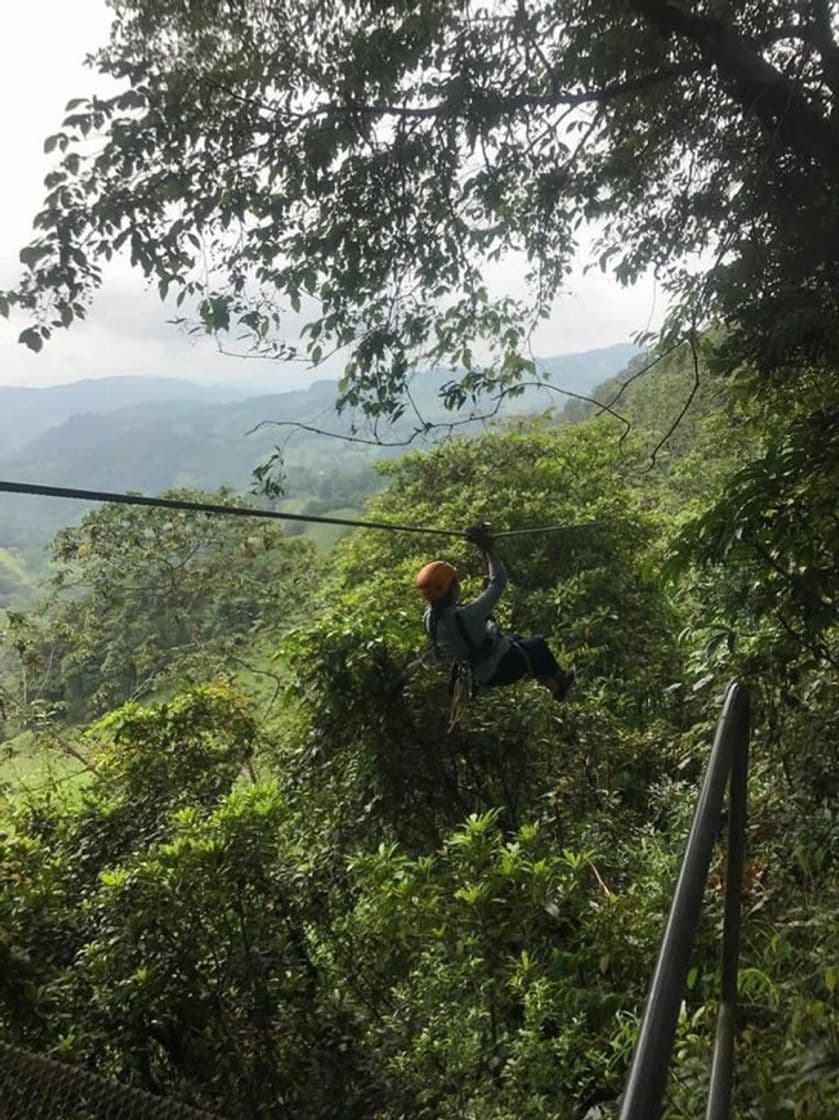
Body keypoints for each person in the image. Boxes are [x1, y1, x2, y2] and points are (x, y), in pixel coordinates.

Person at [415, 524, 575, 700]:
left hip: (479, 673)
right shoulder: (470, 615)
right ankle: (561, 683)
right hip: (499, 668)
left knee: (517, 639)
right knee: (538, 645)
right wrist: (487, 549)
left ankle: (553, 685)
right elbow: (499, 580)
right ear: (452, 589)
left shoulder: (429, 619)